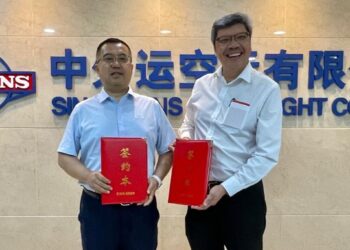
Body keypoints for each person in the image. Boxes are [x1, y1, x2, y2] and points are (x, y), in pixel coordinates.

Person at [57, 38, 176, 250]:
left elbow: (168, 150)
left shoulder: (151, 108)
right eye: (108, 59)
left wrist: (157, 179)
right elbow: (65, 156)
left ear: (131, 67)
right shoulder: (82, 110)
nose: (116, 64)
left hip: (141, 208)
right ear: (97, 67)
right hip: (97, 208)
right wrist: (87, 176)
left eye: (122, 59)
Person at [178, 13, 282, 250]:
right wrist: (186, 142)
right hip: (199, 191)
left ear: (250, 42)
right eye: (224, 39)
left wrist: (225, 189)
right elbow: (189, 123)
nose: (233, 45)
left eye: (240, 37)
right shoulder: (202, 84)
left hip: (242, 195)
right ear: (215, 46)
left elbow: (267, 154)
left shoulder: (266, 89)